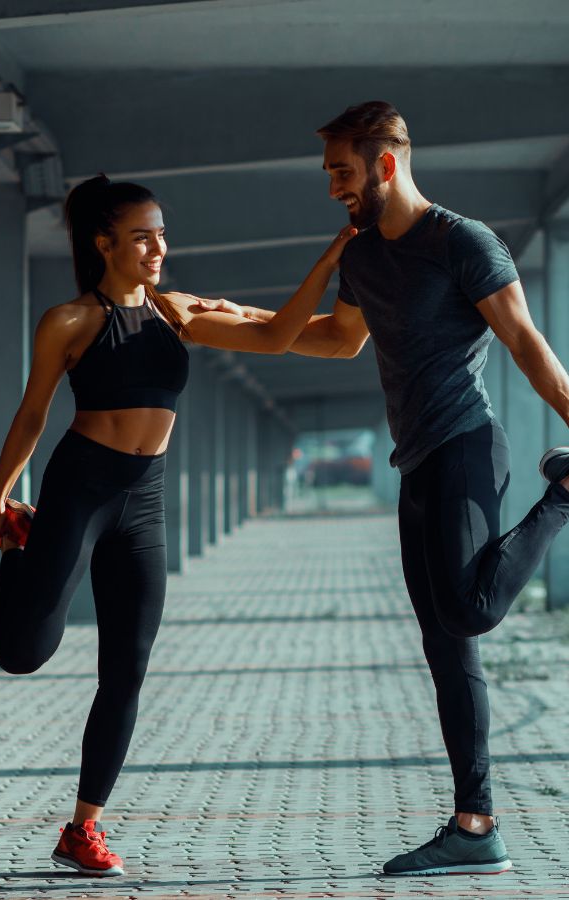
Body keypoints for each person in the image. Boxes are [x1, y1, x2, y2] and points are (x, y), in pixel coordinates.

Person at [195, 101, 569, 877]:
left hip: (467, 445)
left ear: (386, 164)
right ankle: (476, 826)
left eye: (341, 171)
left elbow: (526, 343)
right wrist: (246, 317)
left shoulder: (462, 242)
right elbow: (340, 339)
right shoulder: (363, 253)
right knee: (445, 646)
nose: (333, 186)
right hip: (414, 463)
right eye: (330, 172)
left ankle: (564, 493)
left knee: (469, 609)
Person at [0, 174, 356, 878]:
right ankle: (20, 552)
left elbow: (278, 335)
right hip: (80, 488)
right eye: (141, 235)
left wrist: (333, 262)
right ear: (104, 244)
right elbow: (33, 411)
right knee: (23, 653)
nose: (158, 246)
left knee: (126, 669)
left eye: (161, 232)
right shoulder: (70, 321)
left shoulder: (177, 311)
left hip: (145, 501)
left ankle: (82, 830)